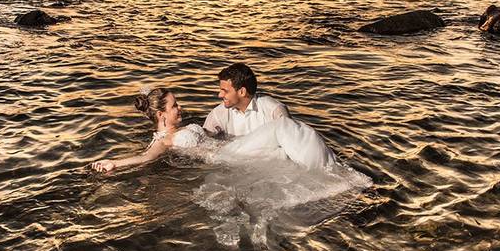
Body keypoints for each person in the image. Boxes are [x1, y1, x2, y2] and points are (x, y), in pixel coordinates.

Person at [90, 86, 336, 173]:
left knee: (283, 154)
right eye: (175, 106)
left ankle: (327, 170)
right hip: (226, 157)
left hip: (230, 149)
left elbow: (210, 135)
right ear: (161, 114)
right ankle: (330, 171)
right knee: (283, 128)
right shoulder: (162, 141)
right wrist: (114, 163)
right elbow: (145, 157)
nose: (180, 107)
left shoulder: (182, 128)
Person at [203, 63, 290, 137]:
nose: (220, 95)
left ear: (242, 92)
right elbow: (202, 142)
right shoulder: (218, 113)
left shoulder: (274, 111)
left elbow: (291, 144)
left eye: (225, 91)